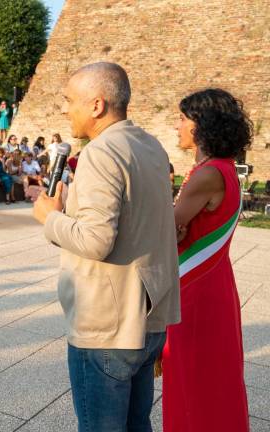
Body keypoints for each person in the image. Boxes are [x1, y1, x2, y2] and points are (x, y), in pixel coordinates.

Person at [32, 62, 180, 431]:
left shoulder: (101, 153)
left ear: (96, 105)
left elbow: (96, 241)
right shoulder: (149, 145)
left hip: (108, 323)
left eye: (69, 101)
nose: (65, 109)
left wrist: (50, 216)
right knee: (136, 424)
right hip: (148, 313)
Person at [161, 89, 251, 432]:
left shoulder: (207, 174)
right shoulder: (223, 169)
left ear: (202, 125)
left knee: (194, 384)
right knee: (212, 380)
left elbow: (165, 230)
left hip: (195, 292)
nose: (177, 125)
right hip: (214, 283)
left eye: (183, 118)